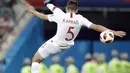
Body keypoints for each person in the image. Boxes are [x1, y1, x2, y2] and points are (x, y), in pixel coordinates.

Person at [24, 0, 126, 73]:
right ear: (76, 10)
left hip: (56, 44)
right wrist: (114, 32)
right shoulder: (80, 18)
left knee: (35, 60)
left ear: (66, 8)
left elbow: (43, 16)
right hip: (68, 45)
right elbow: (96, 26)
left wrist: (33, 10)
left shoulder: (60, 14)